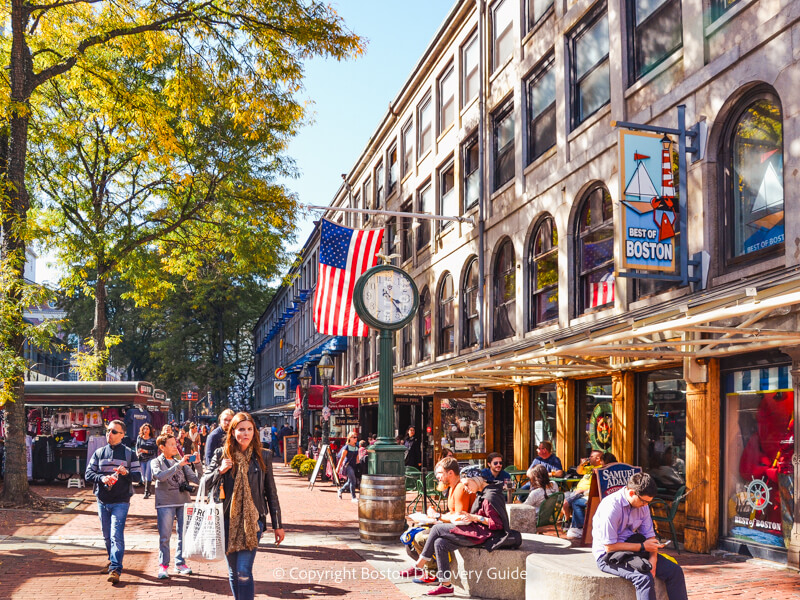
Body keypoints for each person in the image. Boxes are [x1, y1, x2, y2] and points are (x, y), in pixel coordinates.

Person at [203, 412, 285, 600]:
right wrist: (219, 470)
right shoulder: (221, 454)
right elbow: (204, 483)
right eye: (241, 429)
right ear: (232, 432)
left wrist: (277, 524)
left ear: (254, 432)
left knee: (243, 571)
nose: (245, 433)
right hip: (226, 521)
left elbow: (270, 492)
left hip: (253, 521)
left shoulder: (264, 455)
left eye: (249, 429)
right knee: (233, 572)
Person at [401, 467, 509, 596]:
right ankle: (445, 585)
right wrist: (469, 516)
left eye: (467, 484)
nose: (466, 488)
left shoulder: (491, 495)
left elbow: (498, 524)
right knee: (440, 543)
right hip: (476, 531)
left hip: (484, 535)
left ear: (477, 480)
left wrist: (475, 517)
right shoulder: (483, 492)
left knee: (437, 529)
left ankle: (419, 565)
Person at [592, 472, 687, 600]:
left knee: (675, 571)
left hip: (635, 549)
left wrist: (653, 559)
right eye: (644, 501)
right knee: (644, 578)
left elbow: (650, 537)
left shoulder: (643, 504)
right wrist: (642, 546)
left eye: (648, 502)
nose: (645, 505)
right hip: (608, 556)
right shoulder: (611, 507)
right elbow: (609, 547)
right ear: (632, 493)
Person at [85, 419, 142, 585]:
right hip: (102, 500)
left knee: (116, 534)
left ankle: (116, 569)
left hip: (121, 501)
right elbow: (88, 474)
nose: (109, 434)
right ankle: (112, 559)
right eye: (108, 430)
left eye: (114, 432)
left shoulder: (130, 454)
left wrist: (125, 473)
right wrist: (102, 478)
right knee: (107, 535)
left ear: (123, 435)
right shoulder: (99, 452)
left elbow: (138, 477)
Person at [402, 457, 477, 584]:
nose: (437, 476)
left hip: (465, 530)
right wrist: (435, 516)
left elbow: (459, 517)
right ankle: (426, 570)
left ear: (450, 473)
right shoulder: (452, 487)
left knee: (421, 538)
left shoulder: (460, 488)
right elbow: (453, 514)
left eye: (440, 473)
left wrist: (438, 517)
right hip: (455, 527)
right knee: (412, 534)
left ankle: (428, 571)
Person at [151, 432, 199, 579]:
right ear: (162, 447)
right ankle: (163, 565)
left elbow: (197, 479)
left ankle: (180, 563)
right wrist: (179, 464)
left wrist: (198, 463)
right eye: (171, 445)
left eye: (175, 444)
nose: (175, 447)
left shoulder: (182, 462)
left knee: (183, 535)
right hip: (165, 503)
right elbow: (160, 477)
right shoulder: (156, 462)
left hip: (183, 502)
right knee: (165, 536)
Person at [564, 449, 606, 539]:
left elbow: (597, 485)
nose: (589, 458)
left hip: (586, 493)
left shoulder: (600, 469)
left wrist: (583, 490)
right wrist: (582, 464)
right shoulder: (590, 468)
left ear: (598, 458)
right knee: (560, 498)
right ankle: (574, 526)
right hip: (577, 490)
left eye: (591, 456)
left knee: (571, 502)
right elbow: (579, 471)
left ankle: (578, 526)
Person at [336, 431, 360, 503]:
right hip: (348, 465)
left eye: (356, 437)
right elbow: (342, 458)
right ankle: (353, 497)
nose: (356, 439)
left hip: (354, 466)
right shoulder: (346, 447)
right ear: (350, 438)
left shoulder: (356, 447)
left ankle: (341, 490)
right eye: (354, 437)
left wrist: (359, 466)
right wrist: (338, 467)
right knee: (353, 480)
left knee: (350, 481)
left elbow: (357, 458)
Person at [136, 423, 158, 499]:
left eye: (147, 429)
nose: (145, 430)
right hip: (142, 458)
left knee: (148, 473)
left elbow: (155, 451)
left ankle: (146, 492)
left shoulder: (153, 439)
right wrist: (138, 453)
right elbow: (137, 447)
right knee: (143, 476)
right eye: (144, 429)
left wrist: (146, 451)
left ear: (150, 430)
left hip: (150, 458)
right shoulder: (139, 438)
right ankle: (148, 490)